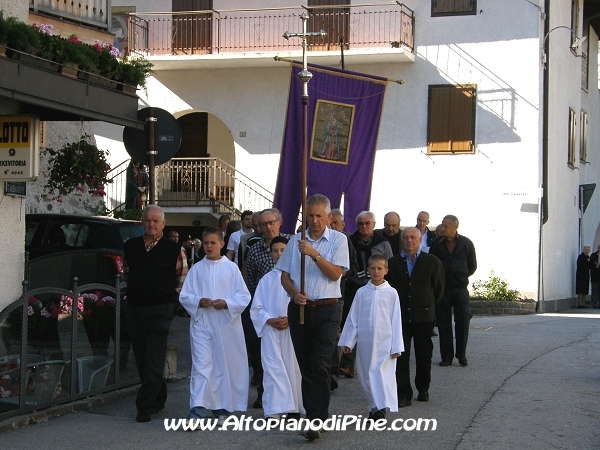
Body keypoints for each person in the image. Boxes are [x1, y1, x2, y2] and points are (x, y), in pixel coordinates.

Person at [277, 194, 349, 440]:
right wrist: (294, 293)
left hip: (328, 309)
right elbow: (284, 275)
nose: (315, 220)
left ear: (329, 217)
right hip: (301, 309)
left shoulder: (338, 240)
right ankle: (314, 414)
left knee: (320, 362)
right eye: (310, 216)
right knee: (307, 365)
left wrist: (314, 254)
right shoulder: (296, 240)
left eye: (319, 216)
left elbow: (335, 274)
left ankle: (316, 419)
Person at [179, 227, 251, 424]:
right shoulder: (197, 269)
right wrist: (198, 301)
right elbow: (185, 295)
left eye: (213, 242)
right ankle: (197, 409)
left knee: (223, 364)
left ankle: (222, 407)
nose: (209, 246)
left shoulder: (231, 269)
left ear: (222, 244)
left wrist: (226, 303)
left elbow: (244, 296)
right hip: (202, 323)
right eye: (206, 243)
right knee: (202, 365)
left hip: (226, 325)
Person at [123, 205, 188, 423]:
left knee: (153, 356)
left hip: (161, 309)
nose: (151, 224)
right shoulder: (131, 246)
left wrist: (172, 302)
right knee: (141, 358)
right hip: (135, 308)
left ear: (163, 223)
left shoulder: (174, 248)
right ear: (142, 222)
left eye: (156, 221)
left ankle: (145, 406)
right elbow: (127, 274)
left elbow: (182, 277)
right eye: (148, 220)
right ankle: (158, 396)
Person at [339, 254, 403, 420]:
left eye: (379, 268)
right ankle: (373, 406)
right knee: (367, 374)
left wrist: (396, 346)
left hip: (385, 342)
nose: (376, 271)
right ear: (367, 270)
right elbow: (354, 318)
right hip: (366, 342)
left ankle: (380, 408)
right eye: (372, 268)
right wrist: (349, 341)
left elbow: (396, 320)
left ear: (386, 271)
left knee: (381, 373)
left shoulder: (391, 293)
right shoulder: (362, 292)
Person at [386, 227, 445, 407]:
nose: (409, 241)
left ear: (420, 240)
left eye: (413, 237)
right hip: (400, 319)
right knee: (401, 357)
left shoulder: (432, 262)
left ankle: (423, 388)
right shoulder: (393, 262)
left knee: (424, 355)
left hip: (424, 317)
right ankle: (403, 393)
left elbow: (439, 289)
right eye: (406, 238)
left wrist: (427, 305)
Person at [250, 236, 303, 419]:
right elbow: (256, 307)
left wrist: (290, 319)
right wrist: (269, 320)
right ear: (270, 253)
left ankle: (293, 409)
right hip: (271, 331)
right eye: (275, 250)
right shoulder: (266, 280)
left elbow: (303, 301)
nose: (279, 254)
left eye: (283, 250)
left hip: (291, 330)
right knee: (272, 369)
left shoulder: (297, 277)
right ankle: (274, 411)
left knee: (292, 368)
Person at [245, 209, 291, 408]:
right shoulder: (254, 249)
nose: (268, 227)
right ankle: (267, 397)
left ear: (279, 222)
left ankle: (293, 402)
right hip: (265, 308)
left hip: (290, 314)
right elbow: (251, 280)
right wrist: (264, 314)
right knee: (266, 360)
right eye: (263, 224)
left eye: (271, 222)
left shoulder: (292, 243)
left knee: (291, 363)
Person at [341, 211, 393, 378]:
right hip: (354, 288)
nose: (364, 227)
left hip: (377, 289)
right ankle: (348, 363)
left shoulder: (383, 243)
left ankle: (376, 361)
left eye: (367, 223)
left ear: (373, 225)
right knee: (352, 322)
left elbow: (389, 264)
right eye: (361, 224)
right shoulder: (350, 241)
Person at [430, 215, 477, 367]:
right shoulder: (436, 243)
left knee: (462, 321)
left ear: (455, 227)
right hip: (442, 290)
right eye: (442, 225)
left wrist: (461, 275)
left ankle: (461, 355)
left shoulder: (466, 243)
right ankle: (446, 357)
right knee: (443, 324)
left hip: (460, 289)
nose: (442, 228)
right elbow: (432, 264)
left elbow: (472, 266)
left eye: (445, 226)